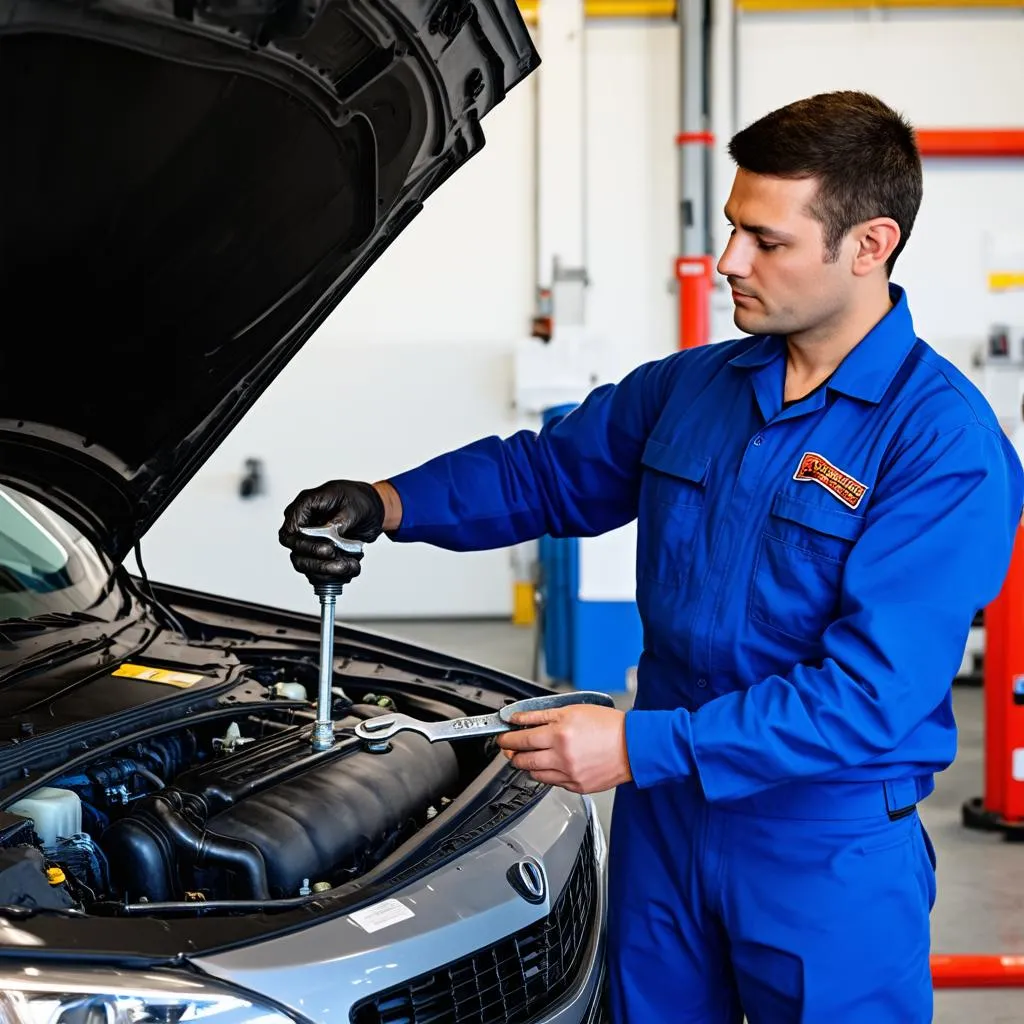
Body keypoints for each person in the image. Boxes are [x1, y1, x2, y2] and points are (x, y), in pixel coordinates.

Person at [278, 90, 1024, 1023]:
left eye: (768, 240)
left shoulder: (940, 444)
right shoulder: (699, 387)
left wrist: (637, 744)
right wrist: (389, 504)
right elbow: (548, 477)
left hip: (820, 844)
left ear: (868, 246)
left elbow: (872, 697)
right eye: (731, 228)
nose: (728, 262)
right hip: (665, 822)